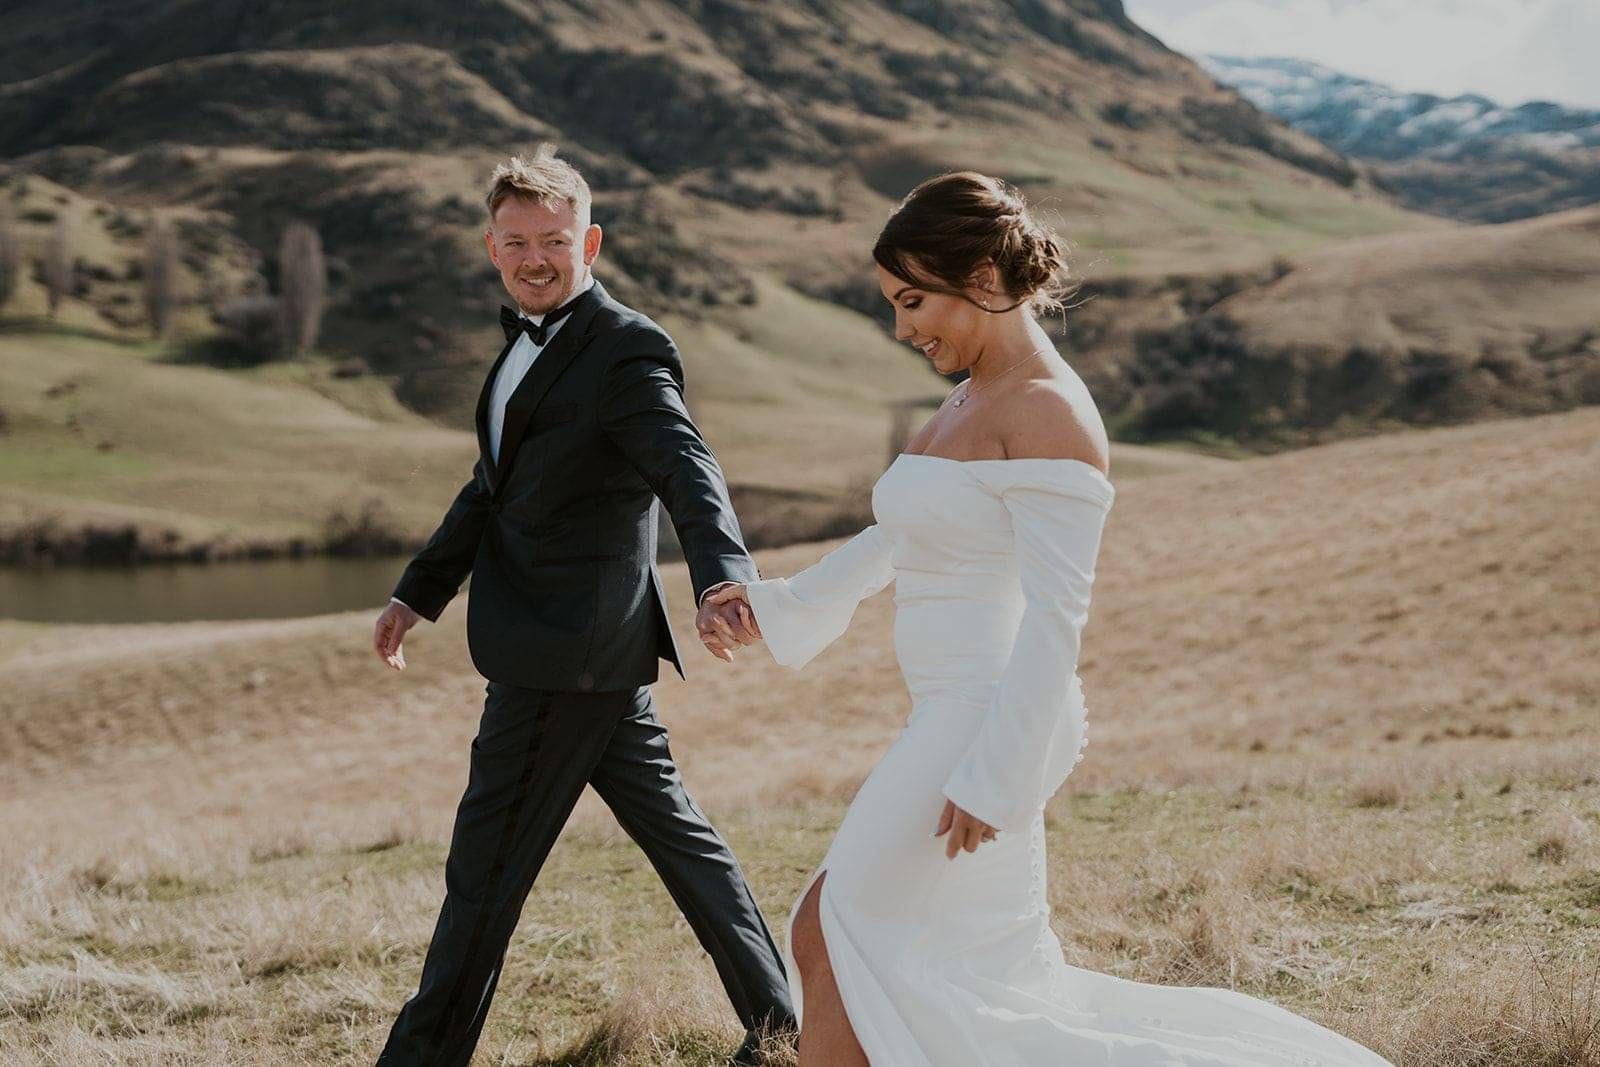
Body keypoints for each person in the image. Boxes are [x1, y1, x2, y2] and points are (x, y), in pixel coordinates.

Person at [702, 171, 1394, 1067]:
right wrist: (773, 601)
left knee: (832, 931)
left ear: (984, 277)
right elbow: (897, 537)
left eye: (915, 301)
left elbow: (1060, 617)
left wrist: (998, 772)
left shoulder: (1047, 410)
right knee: (876, 952)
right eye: (894, 305)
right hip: (949, 714)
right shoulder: (967, 396)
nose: (905, 329)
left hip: (990, 717)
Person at [369, 144, 793, 1067]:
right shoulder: (523, 345)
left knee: (481, 875)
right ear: (490, 246)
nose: (535, 257)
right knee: (686, 847)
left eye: (553, 240)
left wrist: (720, 572)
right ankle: (785, 1026)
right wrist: (419, 591)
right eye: (516, 240)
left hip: (561, 661)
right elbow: (493, 487)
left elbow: (688, 463)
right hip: (592, 655)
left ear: (589, 241)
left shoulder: (624, 348)